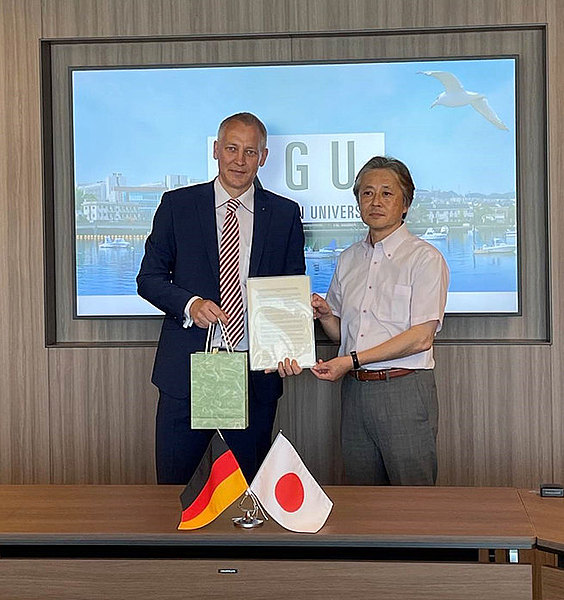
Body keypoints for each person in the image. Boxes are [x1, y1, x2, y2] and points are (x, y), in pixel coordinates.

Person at [137, 112, 305, 484]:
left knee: (249, 493)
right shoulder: (177, 206)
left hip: (253, 375)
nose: (239, 160)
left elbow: (290, 290)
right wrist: (190, 305)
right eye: (231, 148)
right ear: (216, 150)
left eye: (250, 151)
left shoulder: (284, 214)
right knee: (172, 491)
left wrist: (289, 345)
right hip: (187, 372)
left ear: (263, 157)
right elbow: (148, 279)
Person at [278, 156, 449, 486]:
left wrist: (351, 360)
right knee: (362, 498)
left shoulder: (425, 258)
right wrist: (326, 315)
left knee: (414, 498)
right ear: (358, 202)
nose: (375, 201)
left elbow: (421, 338)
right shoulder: (348, 259)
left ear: (405, 204)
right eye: (367, 193)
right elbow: (343, 334)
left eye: (387, 193)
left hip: (403, 389)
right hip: (355, 391)